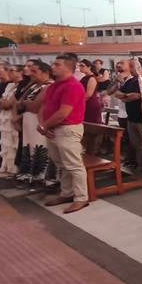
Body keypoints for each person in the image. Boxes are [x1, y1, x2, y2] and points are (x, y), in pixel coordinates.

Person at [40, 54, 89, 214]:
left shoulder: (73, 86)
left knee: (74, 165)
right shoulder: (54, 86)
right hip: (53, 129)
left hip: (68, 129)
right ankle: (67, 193)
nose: (52, 67)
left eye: (57, 64)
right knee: (62, 164)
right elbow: (45, 106)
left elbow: (63, 113)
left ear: (68, 67)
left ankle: (81, 198)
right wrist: (44, 125)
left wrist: (45, 125)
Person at [17, 61, 57, 190]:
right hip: (28, 122)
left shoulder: (49, 85)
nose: (31, 74)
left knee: (40, 148)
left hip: (38, 121)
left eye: (34, 71)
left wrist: (26, 103)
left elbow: (35, 106)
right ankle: (31, 175)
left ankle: (42, 177)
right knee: (30, 148)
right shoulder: (34, 85)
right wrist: (26, 103)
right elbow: (19, 102)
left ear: (45, 72)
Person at [116, 58, 142, 175]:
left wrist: (125, 96)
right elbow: (117, 93)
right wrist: (127, 96)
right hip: (131, 117)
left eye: (132, 67)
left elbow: (138, 96)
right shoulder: (131, 81)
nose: (130, 69)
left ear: (140, 67)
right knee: (136, 144)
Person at [0, 65, 22, 175]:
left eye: (12, 71)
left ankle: (14, 168)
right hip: (5, 118)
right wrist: (2, 103)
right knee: (6, 142)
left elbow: (8, 103)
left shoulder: (20, 86)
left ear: (20, 73)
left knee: (14, 142)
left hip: (12, 116)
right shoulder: (9, 85)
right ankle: (7, 166)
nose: (9, 73)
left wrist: (3, 103)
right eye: (8, 70)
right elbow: (0, 100)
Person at [77, 59, 104, 125]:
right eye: (79, 65)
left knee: (91, 125)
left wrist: (77, 103)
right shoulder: (84, 77)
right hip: (85, 104)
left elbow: (88, 95)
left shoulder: (91, 78)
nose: (80, 67)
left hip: (91, 105)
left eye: (82, 66)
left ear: (89, 67)